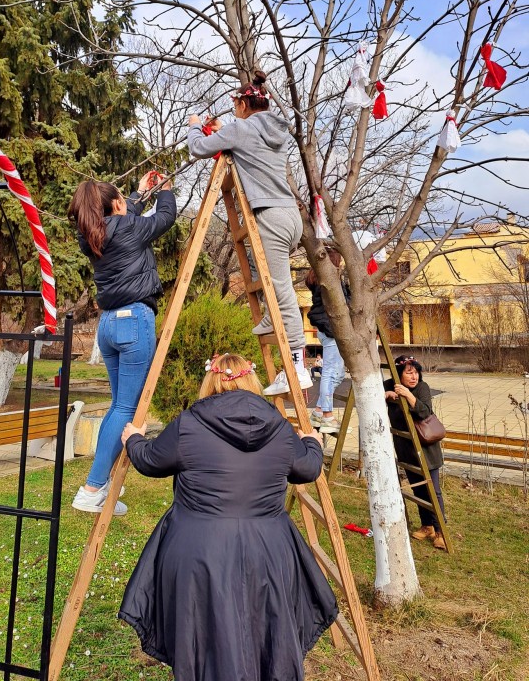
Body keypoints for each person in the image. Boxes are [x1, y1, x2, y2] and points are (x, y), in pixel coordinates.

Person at [119, 353, 339, 681]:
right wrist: (313, 443)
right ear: (251, 381)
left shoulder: (190, 423)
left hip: (201, 553)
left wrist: (133, 439)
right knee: (265, 633)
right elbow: (307, 468)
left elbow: (151, 461)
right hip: (268, 551)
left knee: (204, 638)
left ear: (211, 380)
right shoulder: (279, 426)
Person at [187, 70, 312, 395]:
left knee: (281, 289)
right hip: (289, 214)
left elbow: (198, 147)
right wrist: (224, 132)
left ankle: (298, 366)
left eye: (236, 107)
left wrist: (193, 124)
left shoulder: (240, 129)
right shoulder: (276, 130)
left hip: (269, 215)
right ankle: (271, 320)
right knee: (259, 269)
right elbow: (244, 145)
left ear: (243, 104)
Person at [67, 172, 177, 515]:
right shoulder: (127, 227)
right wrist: (166, 192)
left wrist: (140, 193)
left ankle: (101, 484)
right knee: (126, 410)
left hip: (110, 325)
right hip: (134, 321)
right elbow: (165, 218)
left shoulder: (92, 236)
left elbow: (121, 214)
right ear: (116, 206)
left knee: (119, 407)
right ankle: (92, 488)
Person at [384, 356, 447, 550]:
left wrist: (408, 396)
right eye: (408, 372)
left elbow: (425, 412)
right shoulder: (389, 384)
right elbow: (372, 392)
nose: (414, 376)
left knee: (433, 491)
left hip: (426, 450)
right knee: (418, 489)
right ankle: (427, 525)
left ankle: (440, 531)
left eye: (416, 372)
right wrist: (386, 394)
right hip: (406, 448)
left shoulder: (422, 388)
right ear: (398, 374)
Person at [305, 260, 347, 433]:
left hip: (326, 330)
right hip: (330, 330)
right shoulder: (328, 280)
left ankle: (319, 411)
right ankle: (327, 416)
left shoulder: (320, 279)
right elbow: (343, 301)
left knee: (338, 373)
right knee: (330, 373)